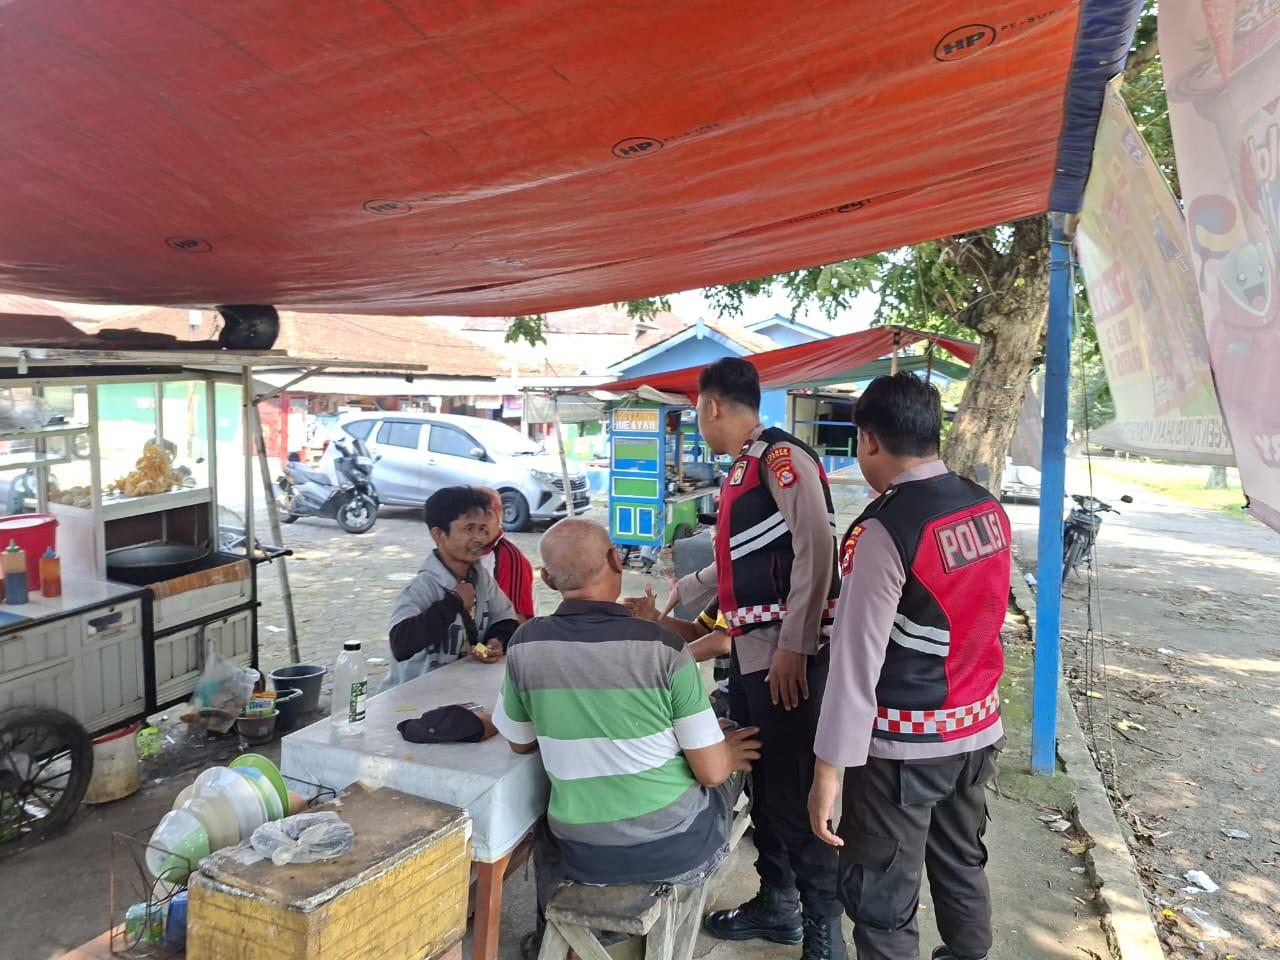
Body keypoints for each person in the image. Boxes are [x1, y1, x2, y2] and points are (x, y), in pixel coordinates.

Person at [807, 373, 1010, 960]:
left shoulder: (884, 528)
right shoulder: (985, 506)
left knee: (882, 895)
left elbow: (855, 660)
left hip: (904, 747)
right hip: (976, 731)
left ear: (869, 439)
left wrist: (828, 770)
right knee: (961, 860)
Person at [492, 518, 762, 959]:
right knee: (730, 748)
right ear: (616, 561)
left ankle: (554, 936)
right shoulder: (665, 649)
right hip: (670, 848)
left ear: (547, 580)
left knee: (547, 825)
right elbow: (711, 774)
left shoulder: (525, 643)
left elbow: (520, 742)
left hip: (580, 849)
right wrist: (726, 755)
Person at [691, 357, 845, 960]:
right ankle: (778, 903)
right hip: (752, 653)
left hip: (783, 655)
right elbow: (741, 555)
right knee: (766, 781)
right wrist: (689, 587)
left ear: (711, 405)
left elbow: (817, 547)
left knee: (796, 788)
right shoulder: (745, 465)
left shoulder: (782, 457)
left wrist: (795, 644)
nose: (699, 421)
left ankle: (824, 931)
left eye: (697, 411)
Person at [380, 486, 519, 692]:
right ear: (439, 535)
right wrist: (452, 602)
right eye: (468, 528)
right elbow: (401, 644)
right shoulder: (421, 587)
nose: (478, 538)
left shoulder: (481, 578)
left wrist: (497, 641)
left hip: (459, 689)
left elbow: (506, 620)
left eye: (482, 529)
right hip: (412, 695)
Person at [478, 487, 537, 621]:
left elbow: (514, 620)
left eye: (487, 513)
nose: (480, 523)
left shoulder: (509, 559)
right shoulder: (467, 555)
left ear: (499, 514)